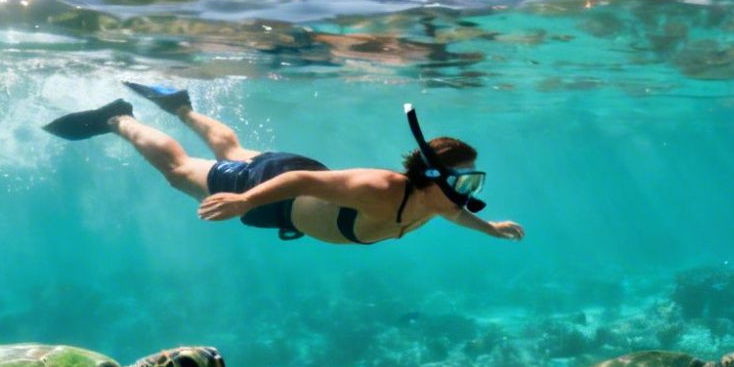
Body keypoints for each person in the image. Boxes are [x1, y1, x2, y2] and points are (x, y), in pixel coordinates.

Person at [45, 83, 526, 246]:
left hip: (300, 185)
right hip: (272, 192)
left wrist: (494, 228)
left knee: (231, 151)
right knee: (177, 172)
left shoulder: (438, 200)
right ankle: (117, 118)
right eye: (464, 178)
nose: (469, 189)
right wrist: (244, 201)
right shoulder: (381, 189)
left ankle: (181, 105)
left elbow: (458, 213)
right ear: (436, 177)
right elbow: (296, 179)